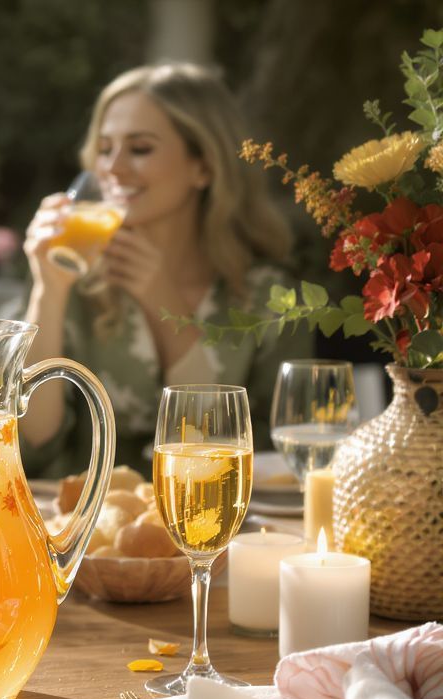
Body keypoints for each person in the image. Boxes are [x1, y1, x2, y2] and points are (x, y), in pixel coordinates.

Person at [19, 62, 310, 476]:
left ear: (203, 166)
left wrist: (164, 302)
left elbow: (256, 460)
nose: (113, 168)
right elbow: (31, 445)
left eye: (139, 149)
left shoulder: (270, 297)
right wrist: (47, 291)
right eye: (105, 149)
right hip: (86, 517)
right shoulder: (75, 283)